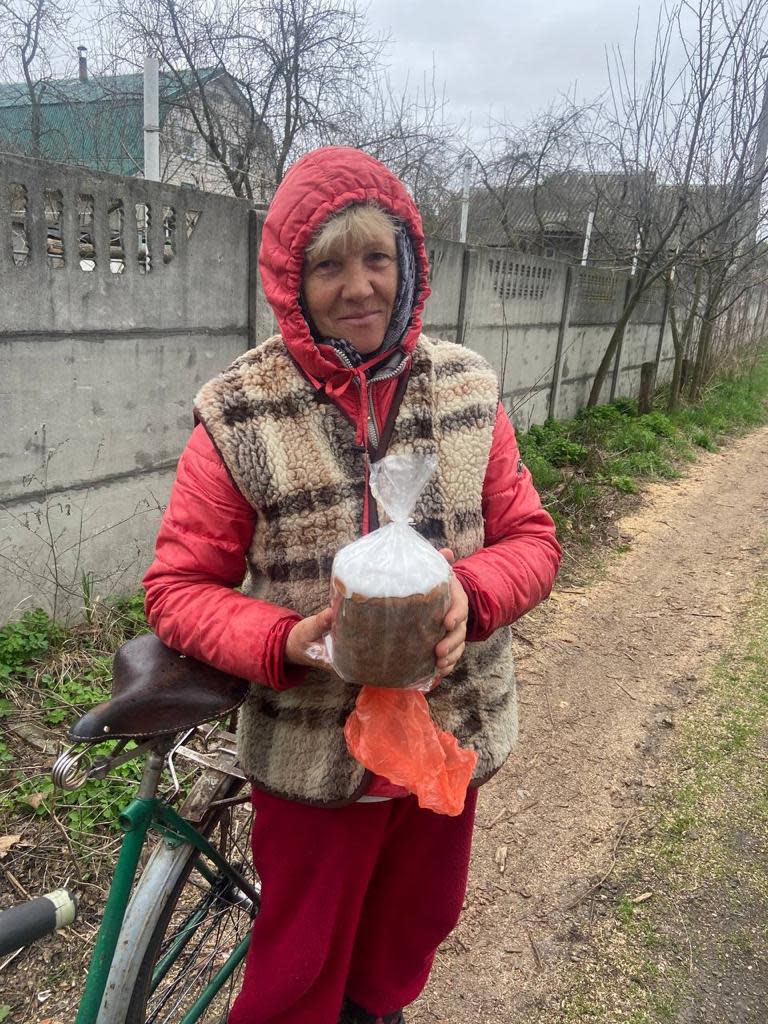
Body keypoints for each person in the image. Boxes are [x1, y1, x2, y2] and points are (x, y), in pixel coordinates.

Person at [143, 146, 561, 1024]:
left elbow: (531, 539)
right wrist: (284, 640)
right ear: (293, 281)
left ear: (409, 262)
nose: (359, 286)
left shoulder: (468, 390)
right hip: (311, 748)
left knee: (412, 932)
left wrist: (471, 595)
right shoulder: (240, 411)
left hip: (447, 734)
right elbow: (178, 589)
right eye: (328, 264)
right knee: (298, 971)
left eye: (377, 257)